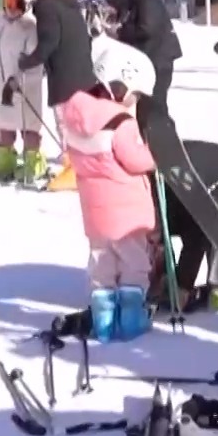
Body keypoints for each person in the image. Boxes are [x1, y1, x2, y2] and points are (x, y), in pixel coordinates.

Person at [59, 36, 160, 342]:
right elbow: (135, 160)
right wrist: (155, 154)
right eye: (136, 94)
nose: (135, 100)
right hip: (126, 213)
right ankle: (131, 320)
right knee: (134, 264)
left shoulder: (76, 120)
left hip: (96, 213)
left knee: (101, 264)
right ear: (120, 85)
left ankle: (102, 322)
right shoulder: (120, 122)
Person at [17, 0, 98, 193]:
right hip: (81, 72)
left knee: (66, 122)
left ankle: (73, 168)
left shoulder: (47, 6)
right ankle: (80, 165)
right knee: (78, 122)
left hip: (65, 74)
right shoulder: (68, 2)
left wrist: (28, 61)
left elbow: (49, 42)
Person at [151, 139, 218, 314]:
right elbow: (160, 238)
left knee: (216, 224)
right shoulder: (152, 193)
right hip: (184, 179)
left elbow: (195, 237)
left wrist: (182, 285)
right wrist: (167, 277)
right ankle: (169, 282)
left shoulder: (178, 187)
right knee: (159, 232)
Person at [0, 0, 51, 185]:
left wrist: (18, 78)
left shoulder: (30, 27)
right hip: (0, 85)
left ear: (26, 5)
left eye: (16, 4)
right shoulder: (0, 26)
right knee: (3, 125)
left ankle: (34, 161)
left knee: (28, 126)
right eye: (7, 3)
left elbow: (33, 59)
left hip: (23, 86)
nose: (11, 8)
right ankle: (5, 161)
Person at [105, 0, 182, 126]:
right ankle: (151, 132)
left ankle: (162, 134)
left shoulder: (146, 1)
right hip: (147, 60)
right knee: (145, 106)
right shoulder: (133, 3)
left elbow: (147, 29)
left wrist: (119, 32)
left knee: (155, 105)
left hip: (159, 60)